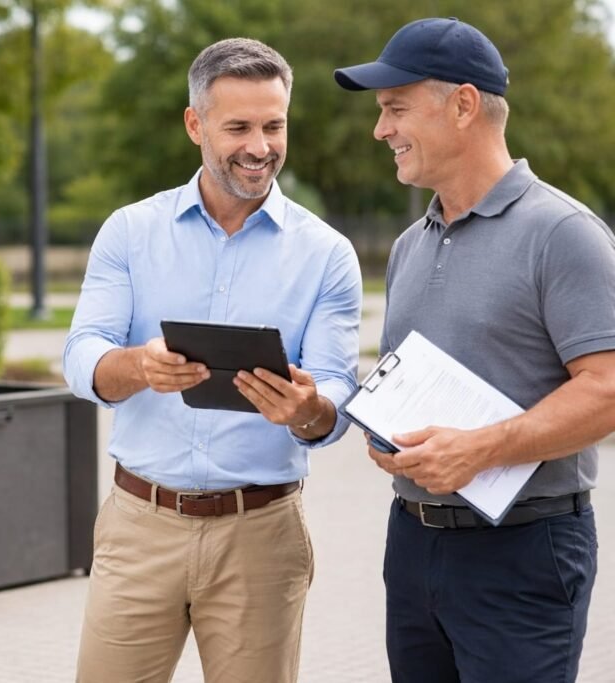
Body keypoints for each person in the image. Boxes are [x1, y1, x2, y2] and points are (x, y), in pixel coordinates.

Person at [64, 37, 361, 682]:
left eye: (274, 126)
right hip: (138, 528)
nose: (260, 146)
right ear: (195, 125)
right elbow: (82, 355)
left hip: (262, 534)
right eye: (239, 127)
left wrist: (309, 409)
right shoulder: (130, 232)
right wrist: (139, 366)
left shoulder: (327, 254)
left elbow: (339, 391)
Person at [334, 17, 615, 683]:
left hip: (524, 551)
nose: (380, 130)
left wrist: (480, 449)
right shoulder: (410, 245)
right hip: (412, 543)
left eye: (396, 108)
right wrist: (387, 435)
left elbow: (607, 388)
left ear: (463, 105)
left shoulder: (563, 233)